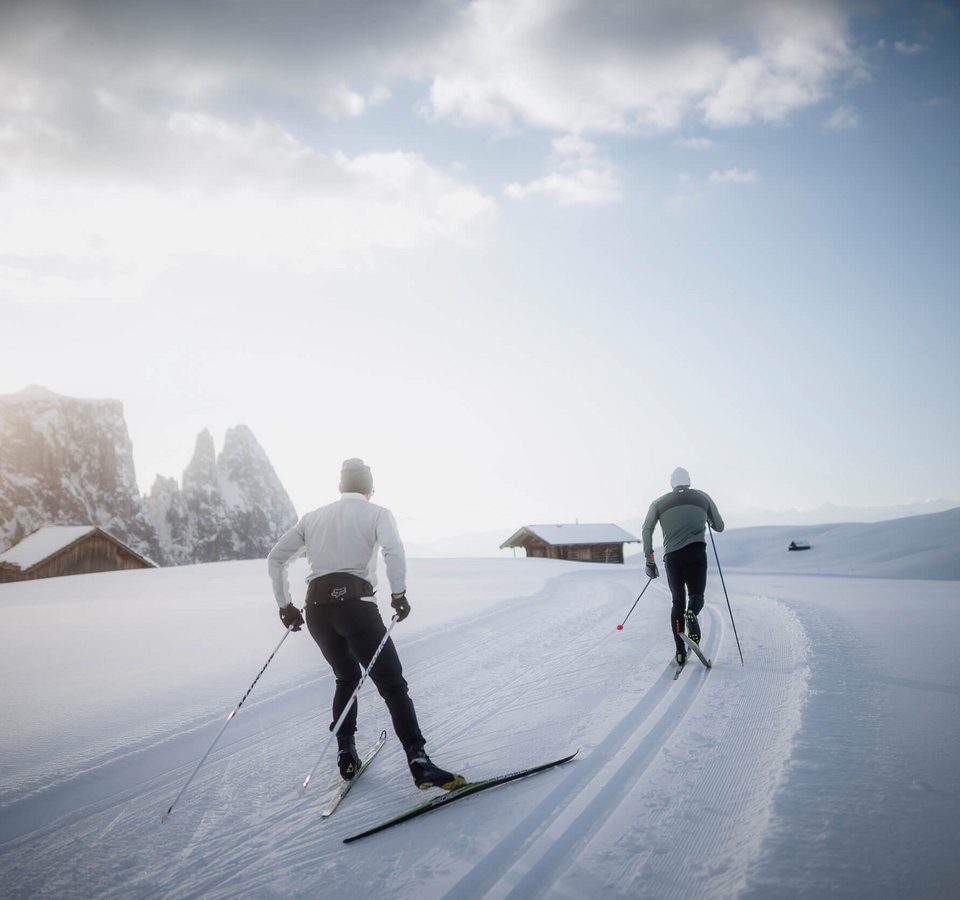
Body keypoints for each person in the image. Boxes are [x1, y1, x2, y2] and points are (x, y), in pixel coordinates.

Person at [267, 458, 464, 790]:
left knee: (346, 678)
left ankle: (346, 753)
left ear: (340, 486)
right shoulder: (377, 514)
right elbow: (393, 550)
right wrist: (398, 594)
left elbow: (276, 558)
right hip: (356, 606)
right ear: (370, 489)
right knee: (392, 685)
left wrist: (285, 605)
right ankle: (419, 760)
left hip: (316, 609)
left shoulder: (312, 518)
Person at [641, 467, 724, 666]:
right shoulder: (703, 497)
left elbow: (647, 529)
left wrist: (649, 558)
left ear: (672, 483)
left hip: (673, 557)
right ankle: (692, 613)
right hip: (696, 552)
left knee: (677, 601)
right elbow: (719, 526)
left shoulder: (658, 503)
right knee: (696, 596)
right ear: (688, 481)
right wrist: (707, 519)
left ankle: (679, 652)